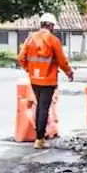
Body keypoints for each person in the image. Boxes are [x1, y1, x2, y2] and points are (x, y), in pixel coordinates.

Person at [17, 13, 74, 149]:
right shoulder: (53, 41)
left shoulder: (30, 39)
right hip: (48, 81)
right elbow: (62, 60)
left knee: (40, 107)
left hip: (35, 80)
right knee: (43, 108)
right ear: (50, 25)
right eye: (53, 26)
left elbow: (21, 58)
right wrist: (69, 72)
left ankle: (40, 137)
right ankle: (40, 139)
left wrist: (29, 70)